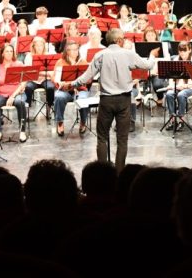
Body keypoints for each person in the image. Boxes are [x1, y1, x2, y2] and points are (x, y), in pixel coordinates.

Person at [60, 28, 158, 171]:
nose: (124, 40)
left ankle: (102, 173)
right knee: (122, 140)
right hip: (124, 101)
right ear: (118, 40)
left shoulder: (100, 55)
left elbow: (86, 77)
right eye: (123, 38)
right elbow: (148, 65)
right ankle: (119, 174)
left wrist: (71, 85)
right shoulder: (129, 54)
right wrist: (152, 55)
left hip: (106, 101)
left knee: (102, 138)